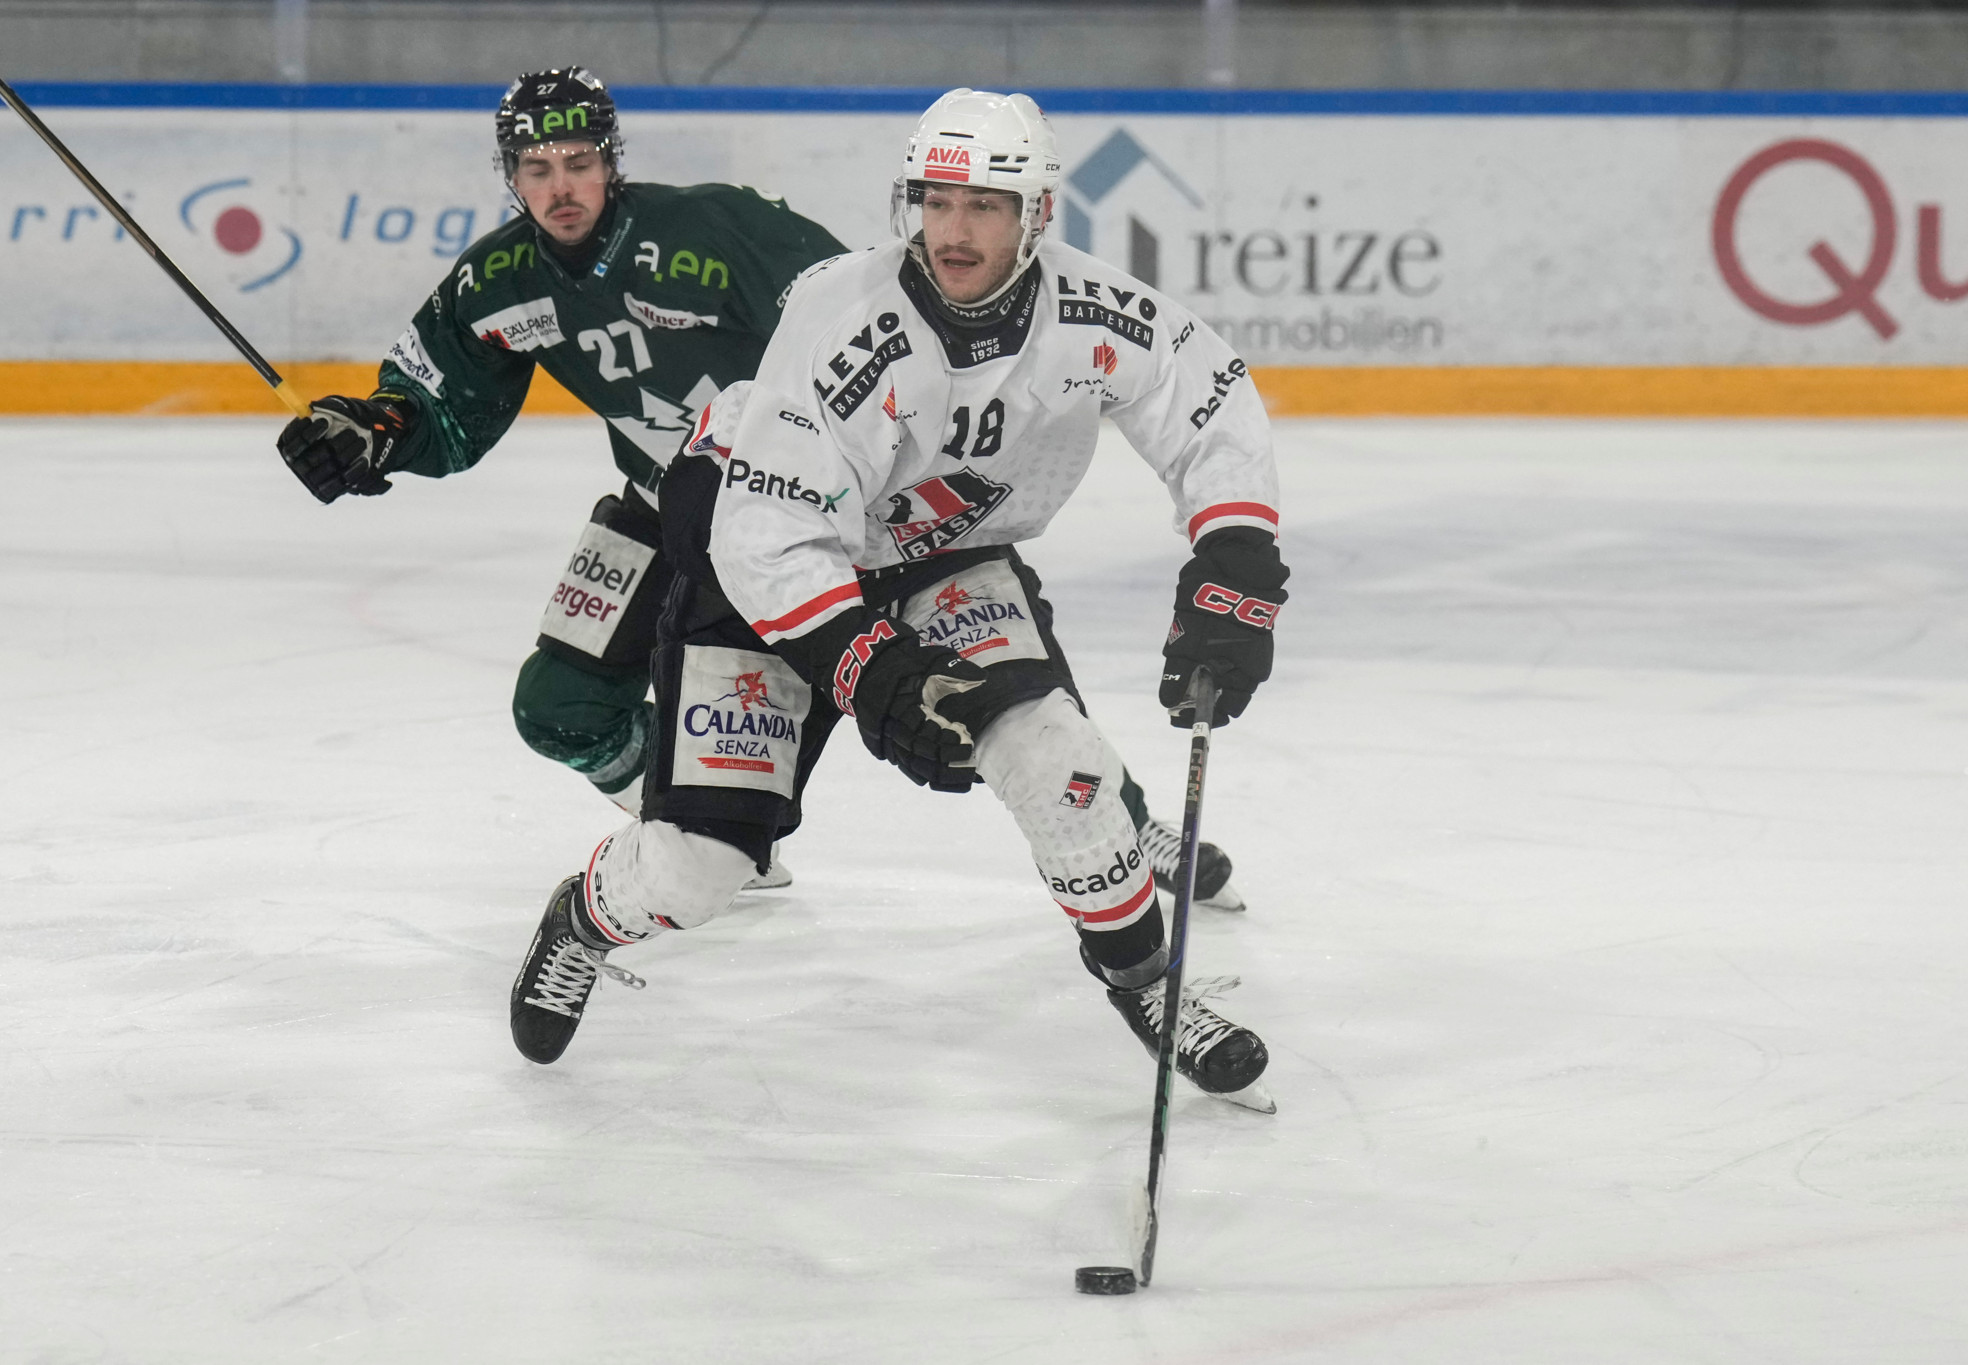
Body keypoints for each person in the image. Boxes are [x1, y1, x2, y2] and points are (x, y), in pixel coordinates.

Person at [272, 69, 1234, 903]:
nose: (560, 187)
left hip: (817, 506)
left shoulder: (712, 229)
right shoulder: (498, 281)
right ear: (509, 177)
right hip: (667, 507)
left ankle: (1123, 823)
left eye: (578, 162)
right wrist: (370, 431)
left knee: (993, 681)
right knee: (558, 705)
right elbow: (436, 403)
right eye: (536, 168)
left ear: (611, 160)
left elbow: (867, 317)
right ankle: (698, 831)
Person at [508, 89, 1288, 1111]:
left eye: (984, 207)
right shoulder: (839, 314)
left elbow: (1207, 402)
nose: (953, 231)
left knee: (1055, 760)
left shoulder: (1093, 312)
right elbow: (766, 533)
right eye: (936, 202)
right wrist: (868, 667)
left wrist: (1235, 561)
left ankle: (1148, 984)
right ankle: (581, 920)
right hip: (760, 568)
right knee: (698, 869)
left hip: (940, 557)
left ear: (1037, 215)